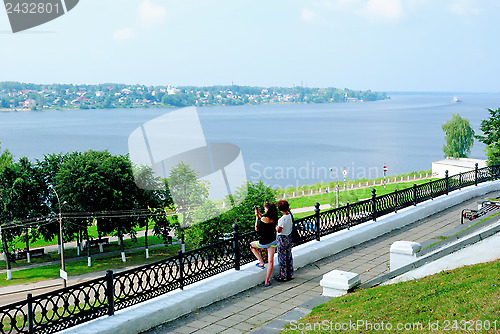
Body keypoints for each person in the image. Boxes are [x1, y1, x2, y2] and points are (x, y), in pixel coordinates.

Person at [250, 202, 278, 287]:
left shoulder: (263, 219)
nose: (264, 209)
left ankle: (261, 262)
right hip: (273, 241)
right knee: (270, 261)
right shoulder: (274, 217)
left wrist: (256, 216)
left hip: (263, 242)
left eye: (265, 208)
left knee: (251, 245)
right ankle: (267, 281)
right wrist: (260, 214)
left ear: (268, 209)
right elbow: (266, 219)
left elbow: (256, 228)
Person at [275, 200, 294, 281]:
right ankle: (290, 274)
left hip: (282, 238)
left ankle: (283, 276)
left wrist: (276, 227)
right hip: (288, 237)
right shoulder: (290, 215)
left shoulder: (282, 219)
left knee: (282, 257)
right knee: (288, 256)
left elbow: (279, 230)